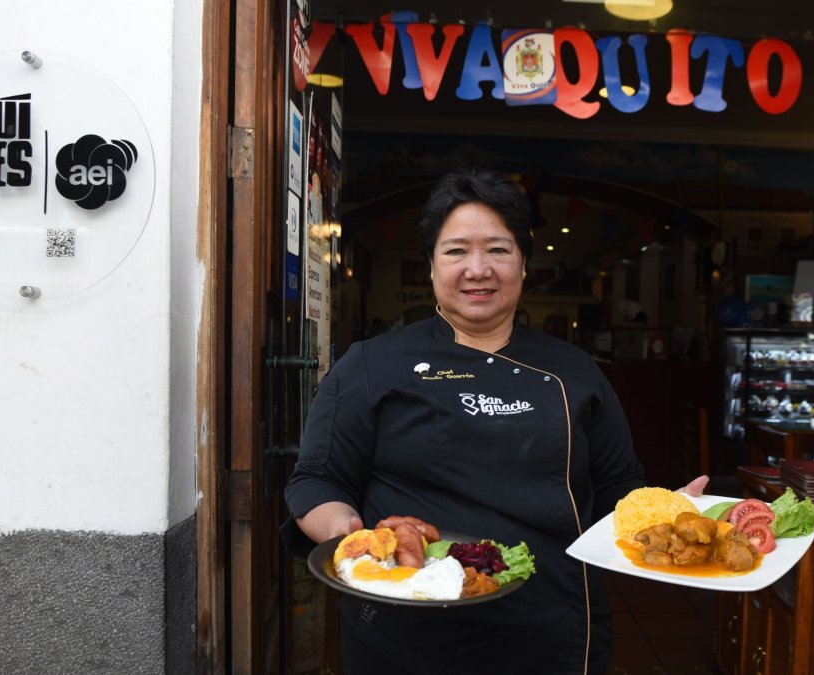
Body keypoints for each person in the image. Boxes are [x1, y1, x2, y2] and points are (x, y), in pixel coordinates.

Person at [281, 167, 706, 674]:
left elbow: (617, 485)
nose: (477, 269)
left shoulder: (574, 371)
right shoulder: (373, 364)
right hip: (410, 619)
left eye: (498, 250)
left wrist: (664, 516)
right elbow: (317, 479)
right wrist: (351, 534)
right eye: (456, 250)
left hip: (550, 624)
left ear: (524, 263)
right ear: (432, 266)